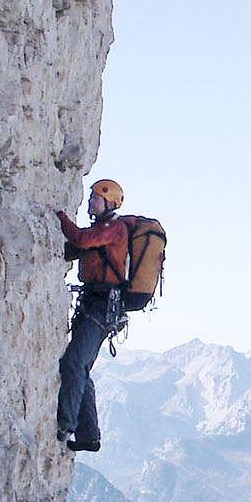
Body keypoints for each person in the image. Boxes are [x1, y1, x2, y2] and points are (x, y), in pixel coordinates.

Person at [52, 179, 153, 452]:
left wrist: (59, 216)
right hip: (96, 304)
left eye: (94, 199)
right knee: (80, 366)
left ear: (109, 202)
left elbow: (81, 240)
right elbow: (78, 248)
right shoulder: (103, 231)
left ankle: (66, 425)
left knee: (74, 363)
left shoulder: (114, 228)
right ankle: (89, 436)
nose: (89, 203)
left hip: (101, 306)